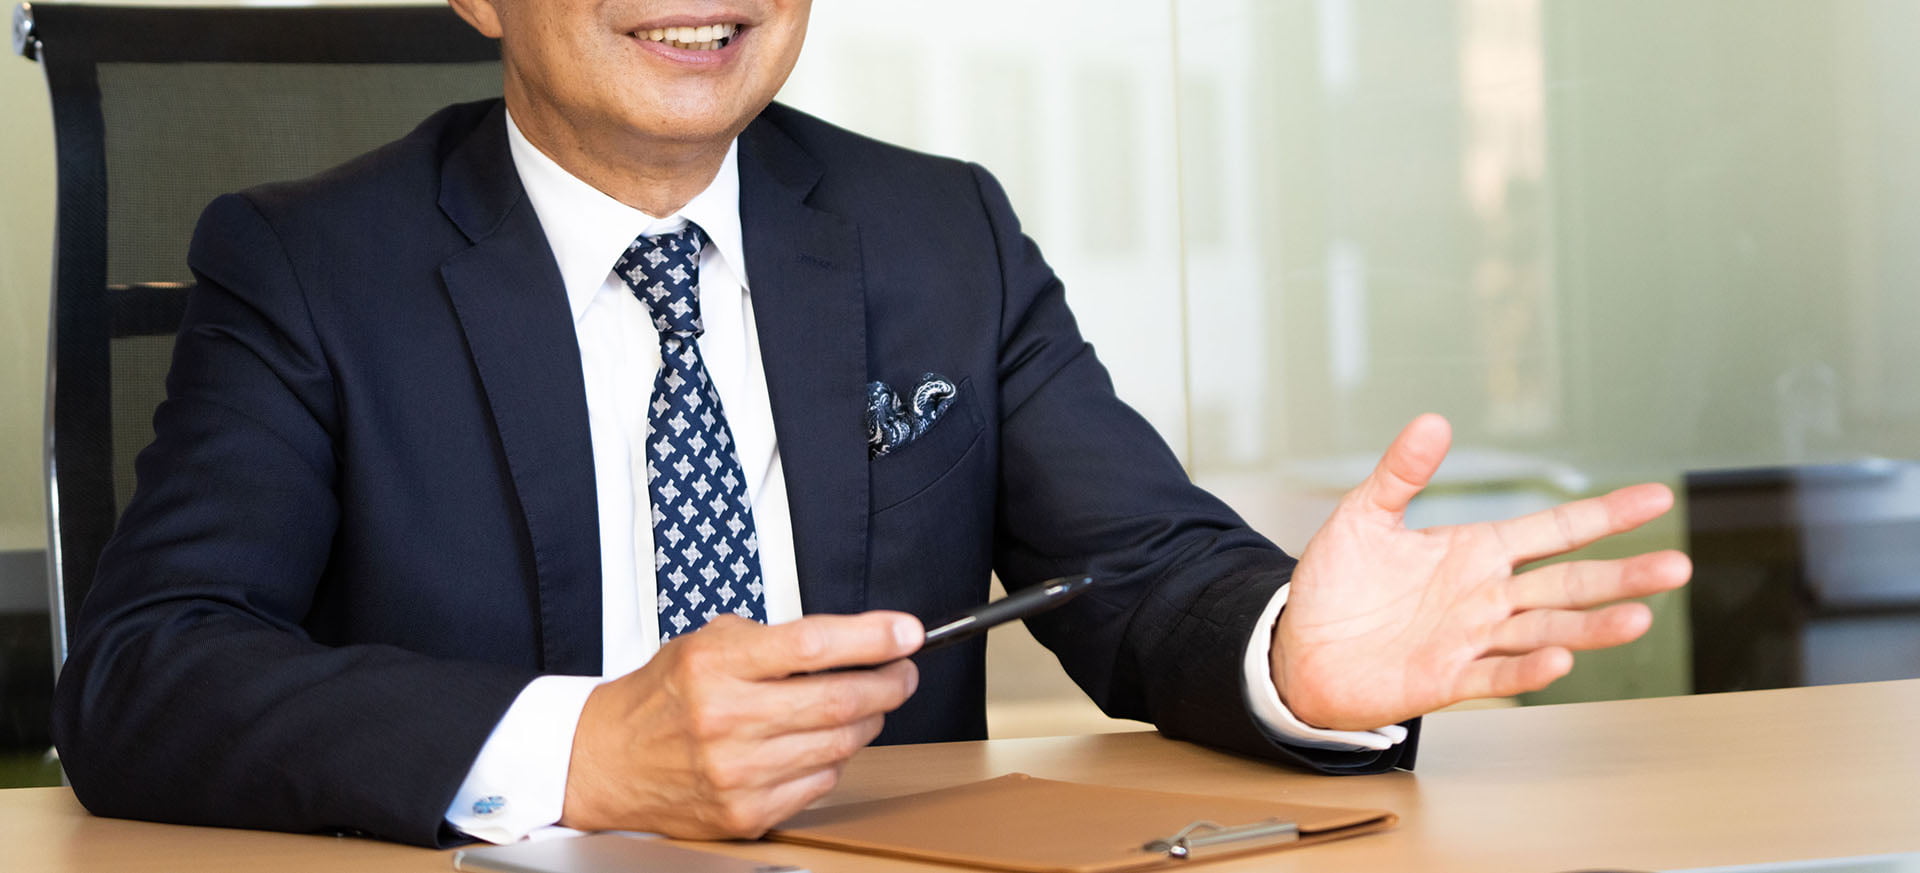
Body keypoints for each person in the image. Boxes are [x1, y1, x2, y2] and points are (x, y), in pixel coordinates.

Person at [50, 0, 1691, 849]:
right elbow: (144, 675)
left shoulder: (935, 234)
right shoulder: (311, 265)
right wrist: (587, 752)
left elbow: (1142, 568)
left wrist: (1285, 661)